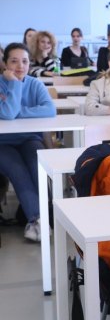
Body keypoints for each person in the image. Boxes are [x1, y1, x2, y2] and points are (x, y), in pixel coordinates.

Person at [0, 43, 56, 242]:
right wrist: (14, 84)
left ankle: (39, 218)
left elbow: (50, 109)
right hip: (3, 143)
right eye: (13, 61)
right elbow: (6, 113)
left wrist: (18, 113)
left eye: (24, 61)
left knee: (36, 166)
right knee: (17, 169)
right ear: (5, 63)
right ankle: (38, 219)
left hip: (30, 139)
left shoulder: (35, 83)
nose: (20, 66)